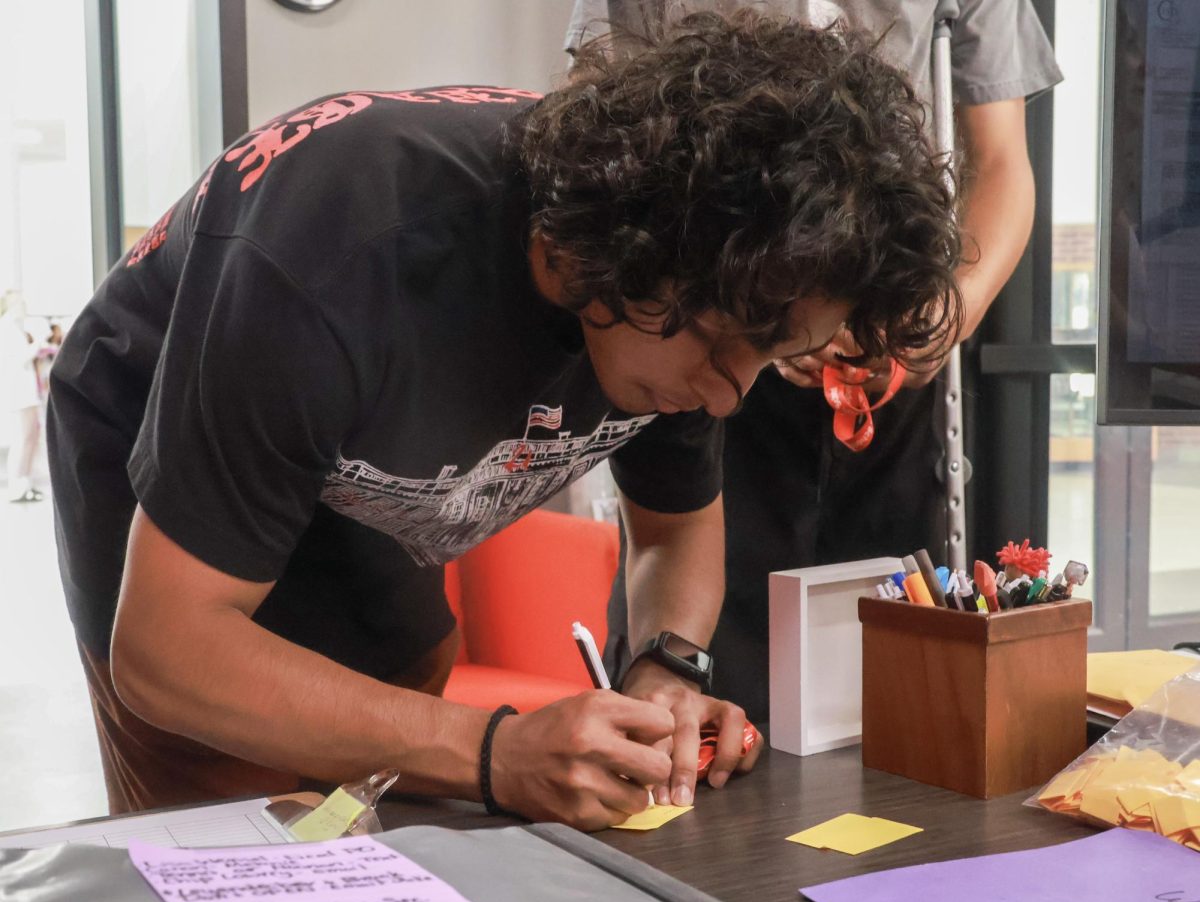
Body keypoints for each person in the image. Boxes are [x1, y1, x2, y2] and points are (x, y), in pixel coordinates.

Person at [48, 10, 961, 830]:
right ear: (627, 251)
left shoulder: (703, 290)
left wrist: (665, 671)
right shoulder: (342, 251)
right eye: (729, 350)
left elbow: (674, 536)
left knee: (390, 754)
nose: (730, 396)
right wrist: (496, 751)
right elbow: (168, 651)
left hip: (357, 480)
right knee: (231, 819)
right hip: (161, 430)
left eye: (769, 360)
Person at [569, 0, 1061, 723]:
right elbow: (602, 135)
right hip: (712, 351)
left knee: (896, 684)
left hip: (889, 363)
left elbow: (1001, 165)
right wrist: (766, 321)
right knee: (701, 677)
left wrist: (944, 311)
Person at [1, 289, 44, 503]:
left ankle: (25, 481)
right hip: (18, 391)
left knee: (31, 436)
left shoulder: (16, 328)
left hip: (27, 390)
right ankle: (17, 484)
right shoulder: (6, 328)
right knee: (24, 436)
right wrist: (36, 346)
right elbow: (17, 359)